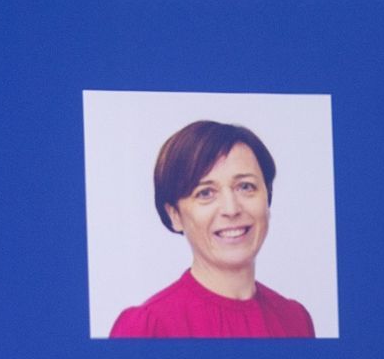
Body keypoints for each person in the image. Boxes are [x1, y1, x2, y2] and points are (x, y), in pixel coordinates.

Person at [110, 120, 315, 338]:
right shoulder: (147, 328)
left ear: (267, 197)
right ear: (174, 215)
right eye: (205, 193)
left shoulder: (295, 320)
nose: (231, 209)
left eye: (245, 186)